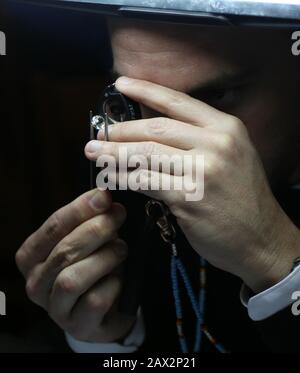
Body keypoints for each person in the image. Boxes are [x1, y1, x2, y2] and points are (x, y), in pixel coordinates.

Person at [15, 17, 300, 353]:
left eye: (216, 96)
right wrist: (103, 337)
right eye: (133, 101)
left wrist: (277, 261)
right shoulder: (120, 168)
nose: (162, 151)